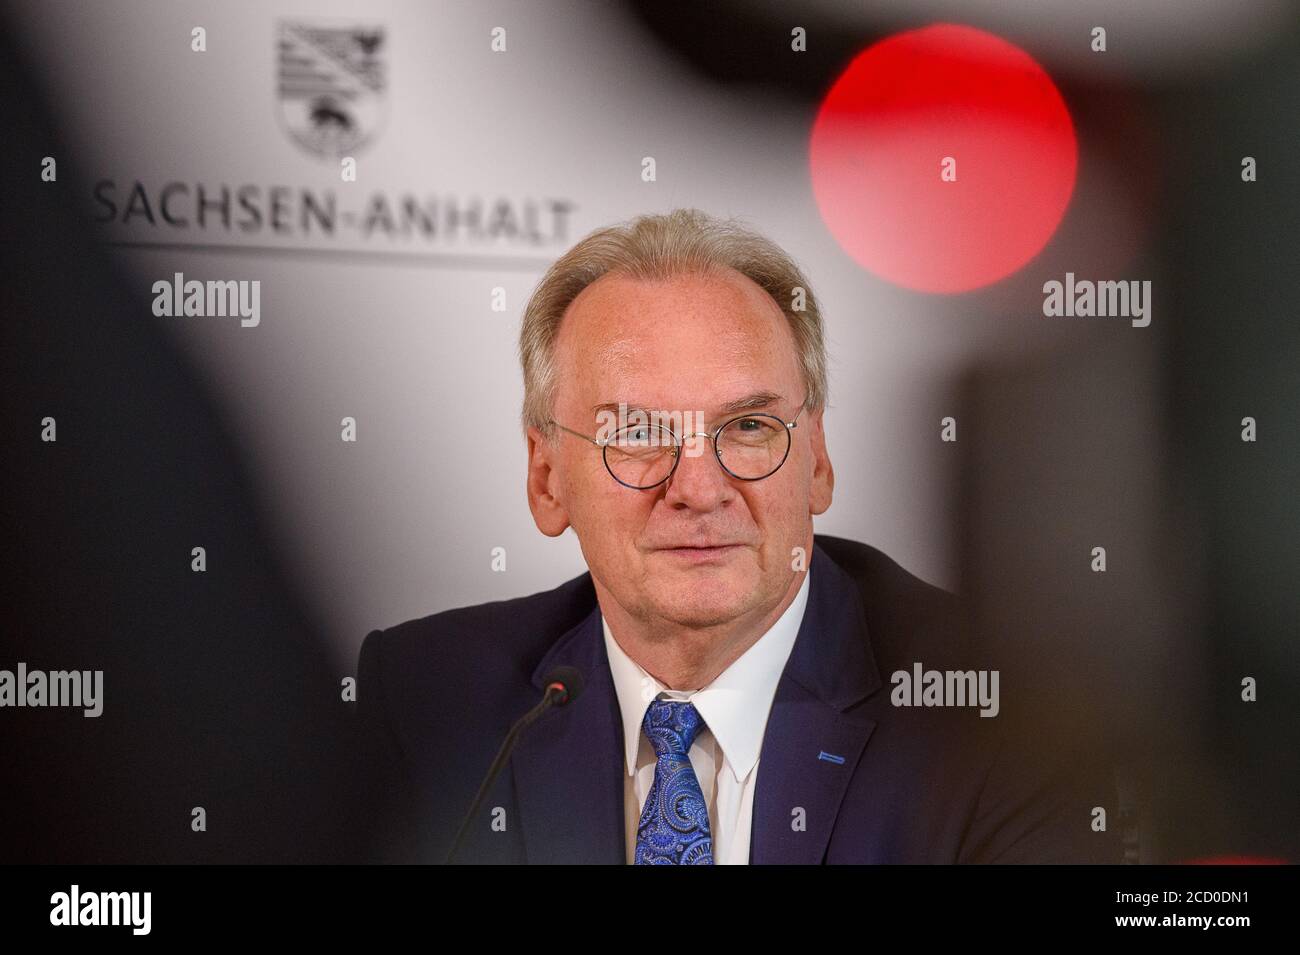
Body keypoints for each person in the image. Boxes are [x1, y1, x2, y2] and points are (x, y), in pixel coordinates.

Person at [355, 208, 1120, 864]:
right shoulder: (430, 704)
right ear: (548, 477)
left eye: (748, 427)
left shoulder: (998, 718)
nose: (697, 487)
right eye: (638, 434)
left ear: (816, 460)